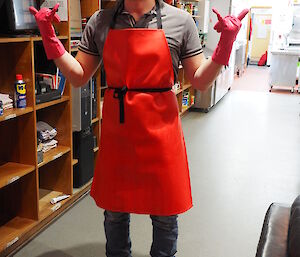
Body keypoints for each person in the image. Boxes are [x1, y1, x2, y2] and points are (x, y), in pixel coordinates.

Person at [30, 1, 248, 256]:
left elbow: (199, 80)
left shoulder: (181, 21)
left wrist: (225, 45)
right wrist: (49, 37)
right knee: (114, 212)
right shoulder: (100, 21)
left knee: (165, 213)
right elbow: (79, 75)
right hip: (118, 132)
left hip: (161, 132)